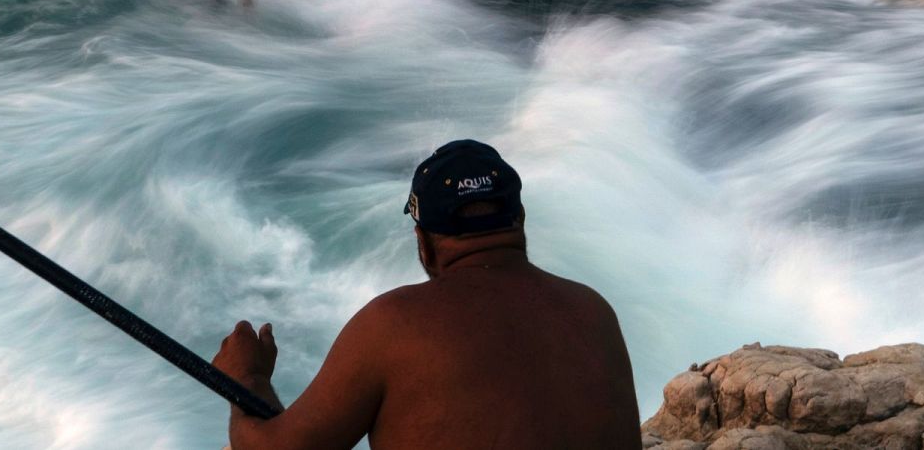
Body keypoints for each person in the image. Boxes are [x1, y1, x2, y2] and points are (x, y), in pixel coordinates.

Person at [211, 139, 642, 449]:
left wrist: (245, 379)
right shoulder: (594, 312)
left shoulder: (394, 325)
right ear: (520, 219)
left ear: (423, 240)